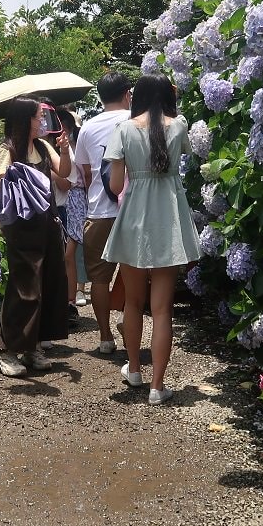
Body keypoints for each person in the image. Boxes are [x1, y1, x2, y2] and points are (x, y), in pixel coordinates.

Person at [101, 73, 201, 405]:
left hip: (134, 220)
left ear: (138, 96)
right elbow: (182, 153)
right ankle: (158, 387)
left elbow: (115, 187)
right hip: (169, 221)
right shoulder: (180, 125)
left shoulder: (125, 130)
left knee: (132, 302)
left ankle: (133, 369)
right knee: (162, 310)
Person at [0, 97, 72, 377]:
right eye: (39, 116)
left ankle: (32, 346)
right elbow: (1, 183)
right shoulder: (8, 149)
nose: (42, 121)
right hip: (22, 229)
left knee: (48, 282)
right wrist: (15, 173)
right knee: (25, 288)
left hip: (47, 224)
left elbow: (64, 172)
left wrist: (65, 148)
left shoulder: (43, 146)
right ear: (25, 118)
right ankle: (6, 351)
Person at [73, 72, 131, 354]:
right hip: (132, 210)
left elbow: (84, 173)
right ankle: (126, 318)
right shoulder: (135, 121)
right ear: (126, 94)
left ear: (100, 96)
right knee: (137, 269)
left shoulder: (88, 128)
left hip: (98, 211)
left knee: (98, 277)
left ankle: (105, 337)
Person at [52, 107, 85, 327]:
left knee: (67, 256)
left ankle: (70, 303)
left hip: (67, 207)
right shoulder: (42, 148)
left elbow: (65, 183)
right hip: (54, 207)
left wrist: (50, 169)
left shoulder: (67, 151)